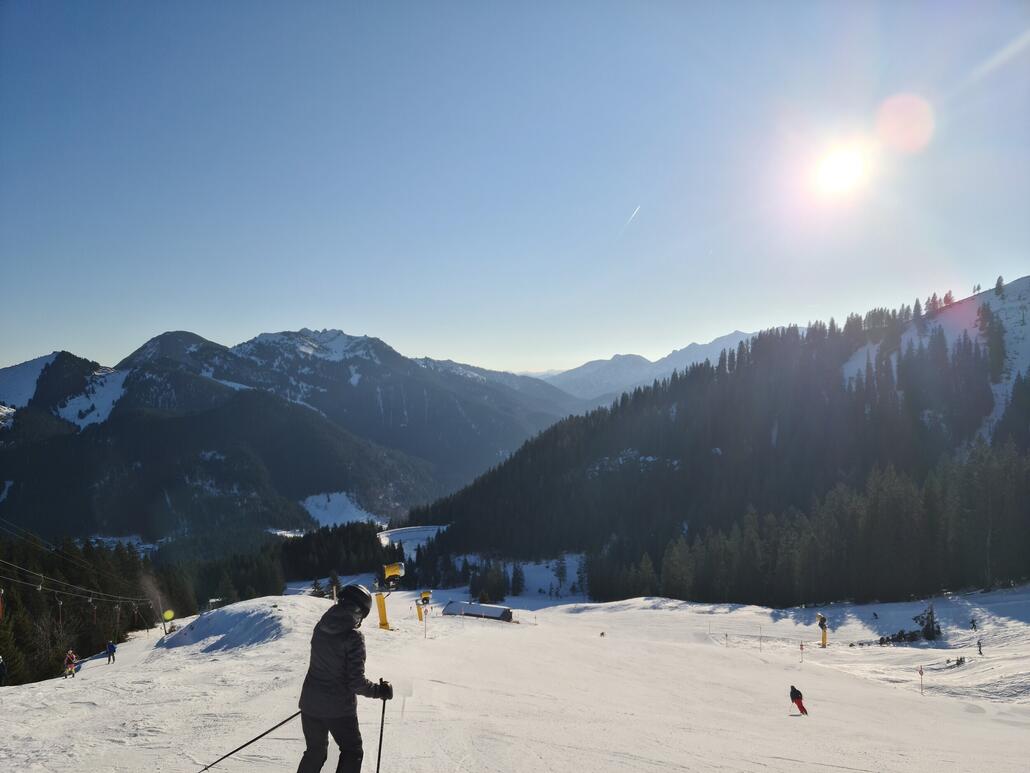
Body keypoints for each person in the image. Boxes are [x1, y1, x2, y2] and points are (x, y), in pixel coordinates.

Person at [297, 584, 393, 773]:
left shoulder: (321, 626)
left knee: (315, 752)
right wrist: (379, 691)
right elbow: (356, 682)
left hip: (310, 704)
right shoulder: (353, 637)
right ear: (360, 612)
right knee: (352, 751)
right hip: (339, 709)